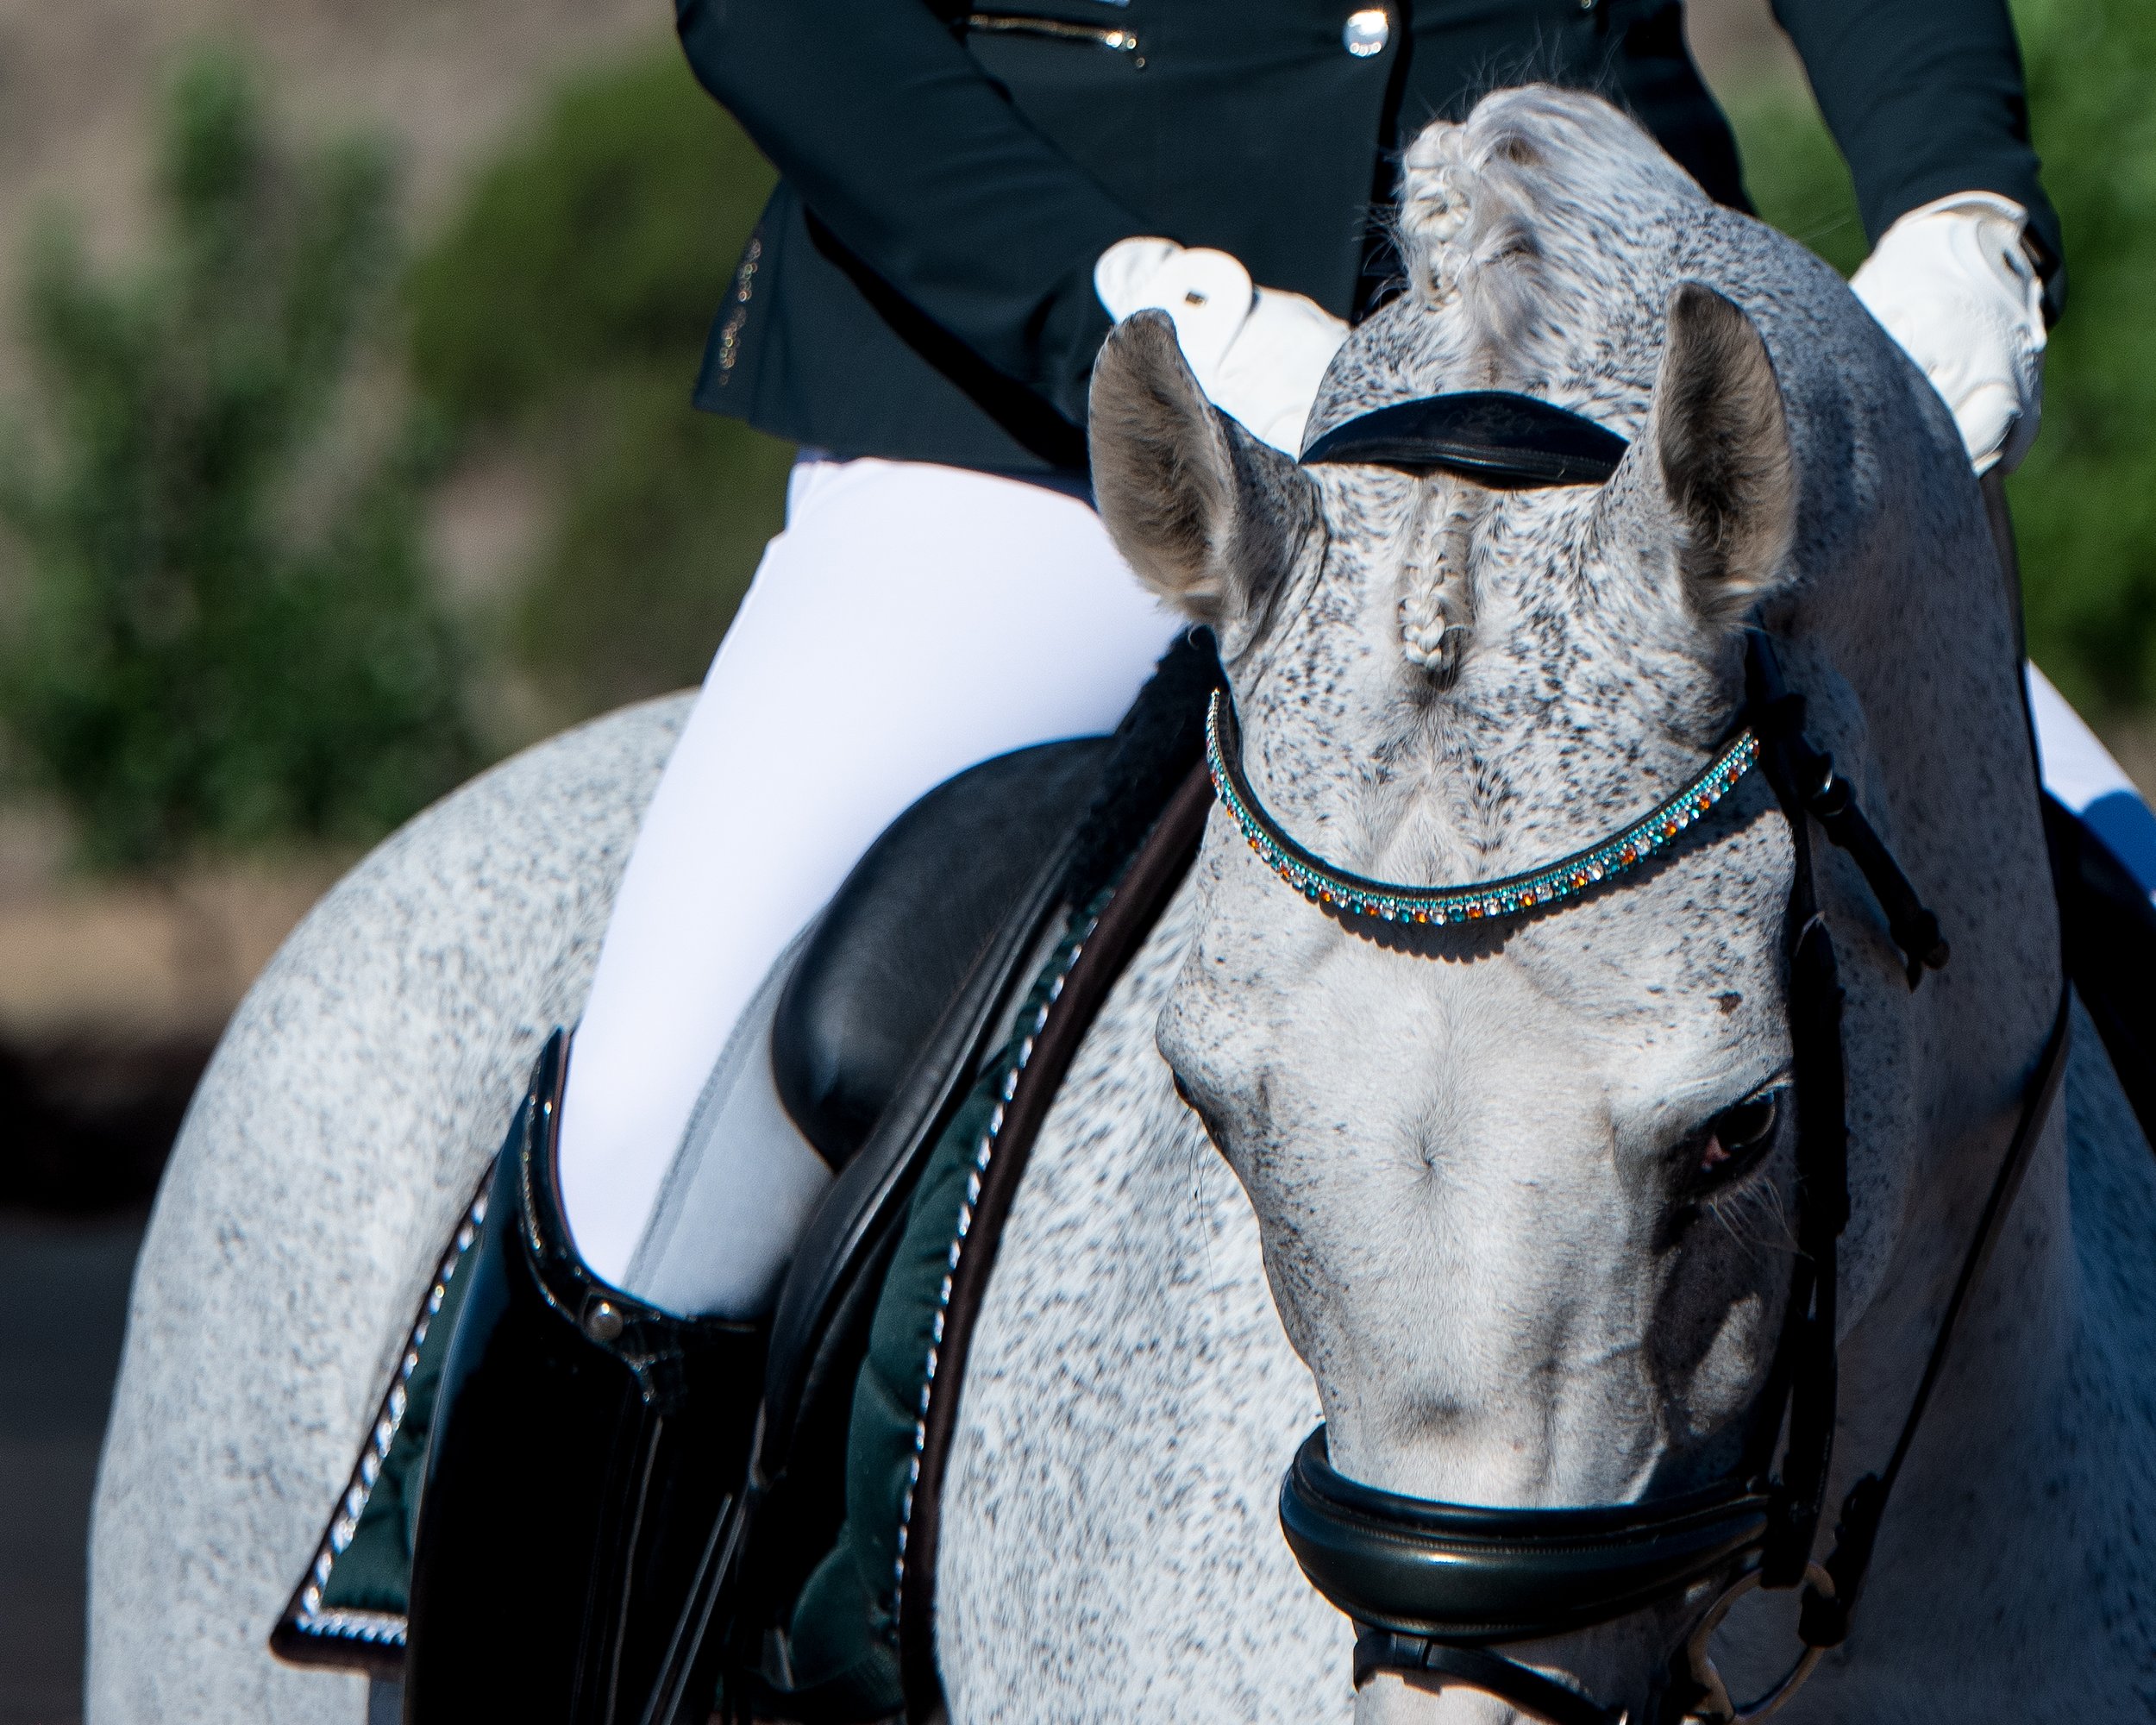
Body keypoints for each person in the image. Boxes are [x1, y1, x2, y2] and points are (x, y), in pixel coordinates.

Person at [551, 0, 2064, 1308]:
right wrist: (1135, 298)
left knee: (2111, 903)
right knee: (645, 1147)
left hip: (1608, 392)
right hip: (1072, 411)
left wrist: (1958, 209)